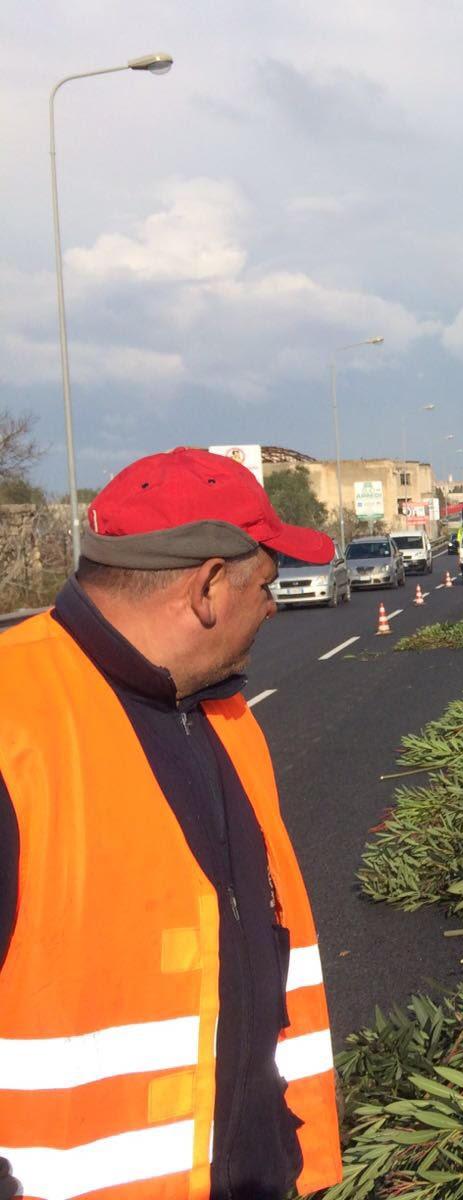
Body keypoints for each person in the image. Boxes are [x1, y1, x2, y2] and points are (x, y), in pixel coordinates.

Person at [0, 449, 341, 1198]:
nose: (274, 606)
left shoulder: (222, 715)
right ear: (209, 586)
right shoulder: (13, 723)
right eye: (267, 583)